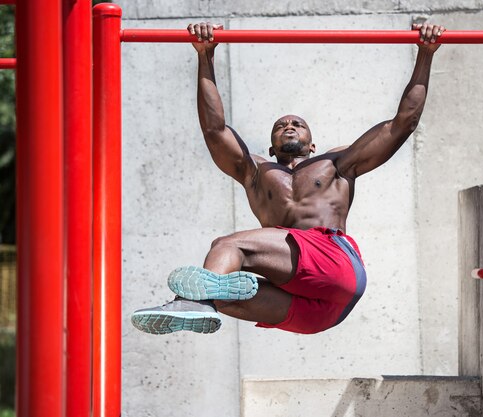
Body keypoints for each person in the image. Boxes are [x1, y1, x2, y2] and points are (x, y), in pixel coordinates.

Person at [131, 22, 445, 335]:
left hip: (334, 265)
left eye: (298, 124)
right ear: (271, 146)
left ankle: (189, 302)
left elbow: (403, 123)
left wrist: (425, 54)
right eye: (281, 125)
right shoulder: (255, 173)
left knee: (228, 247)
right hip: (316, 313)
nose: (289, 125)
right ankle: (199, 307)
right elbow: (215, 130)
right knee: (220, 295)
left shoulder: (337, 164)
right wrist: (205, 56)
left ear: (313, 145)